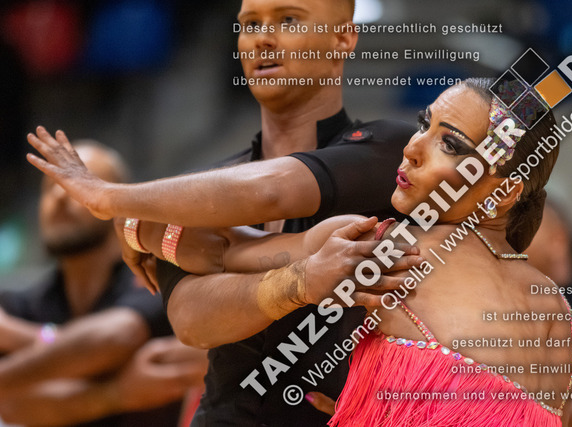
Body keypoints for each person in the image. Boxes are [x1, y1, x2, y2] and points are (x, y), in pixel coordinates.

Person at [27, 77, 572, 425]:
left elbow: (225, 251)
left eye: (449, 144)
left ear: (504, 192)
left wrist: (126, 218)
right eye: (423, 125)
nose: (412, 147)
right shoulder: (558, 313)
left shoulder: (393, 248)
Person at [26, 0, 418, 425]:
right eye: (249, 24)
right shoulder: (197, 190)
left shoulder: (393, 150)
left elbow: (271, 191)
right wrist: (300, 280)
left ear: (342, 37)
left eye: (288, 19)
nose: (262, 38)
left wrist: (114, 199)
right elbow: (193, 320)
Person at [0, 141, 207, 426]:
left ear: (119, 203)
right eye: (49, 188)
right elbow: (11, 406)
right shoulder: (17, 304)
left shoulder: (155, 276)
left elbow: (115, 337)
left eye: (74, 185)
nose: (58, 197)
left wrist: (16, 340)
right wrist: (115, 392)